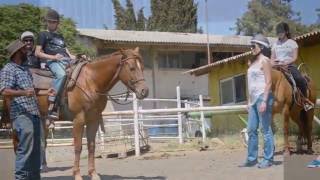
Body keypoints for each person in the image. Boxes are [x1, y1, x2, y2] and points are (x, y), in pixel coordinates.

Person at [0, 40, 41, 179]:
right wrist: (24, 93)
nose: (27, 51)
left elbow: (30, 91)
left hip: (34, 114)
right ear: (17, 52)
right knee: (25, 152)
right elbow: (4, 91)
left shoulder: (25, 70)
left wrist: (46, 92)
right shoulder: (8, 69)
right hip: (22, 115)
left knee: (36, 152)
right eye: (24, 49)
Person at [35, 9, 76, 126]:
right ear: (47, 22)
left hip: (65, 60)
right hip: (52, 61)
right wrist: (53, 57)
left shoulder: (60, 36)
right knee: (62, 74)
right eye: (50, 22)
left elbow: (68, 53)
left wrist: (77, 57)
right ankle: (53, 105)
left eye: (54, 22)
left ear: (57, 23)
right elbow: (37, 53)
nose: (52, 24)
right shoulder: (43, 34)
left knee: (82, 71)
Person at [239, 34, 274, 169]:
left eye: (254, 46)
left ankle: (268, 158)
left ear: (262, 47)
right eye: (251, 46)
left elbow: (269, 81)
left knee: (265, 129)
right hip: (253, 100)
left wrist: (264, 100)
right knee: (251, 129)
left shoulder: (265, 61)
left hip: (262, 97)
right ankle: (252, 159)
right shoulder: (252, 62)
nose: (251, 48)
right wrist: (249, 101)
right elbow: (251, 83)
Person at [271, 22, 312, 110]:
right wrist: (274, 63)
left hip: (289, 66)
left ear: (286, 31)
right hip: (276, 67)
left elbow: (295, 57)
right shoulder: (275, 44)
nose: (279, 33)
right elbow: (272, 58)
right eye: (278, 32)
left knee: (299, 79)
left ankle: (305, 100)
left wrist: (285, 63)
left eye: (281, 31)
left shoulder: (292, 43)